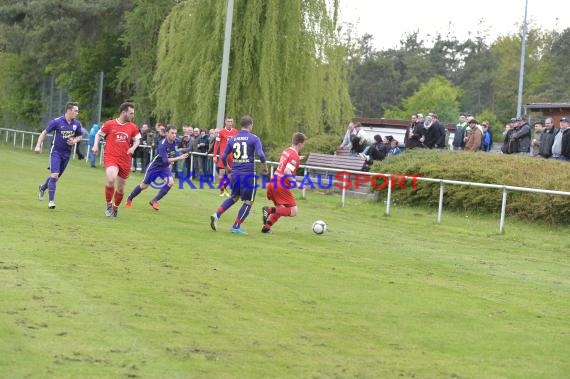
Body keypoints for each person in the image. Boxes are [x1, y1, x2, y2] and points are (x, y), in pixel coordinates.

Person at [210, 115, 268, 234]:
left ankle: (216, 214)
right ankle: (236, 226)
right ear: (250, 125)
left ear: (241, 125)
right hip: (248, 174)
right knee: (248, 201)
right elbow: (261, 154)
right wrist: (265, 166)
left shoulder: (233, 139)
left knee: (234, 197)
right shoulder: (254, 138)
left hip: (235, 173)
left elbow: (224, 156)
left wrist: (227, 167)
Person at [92, 102, 141, 217]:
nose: (133, 116)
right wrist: (95, 145)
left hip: (125, 159)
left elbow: (138, 139)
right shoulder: (110, 124)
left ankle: (115, 207)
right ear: (124, 112)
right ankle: (109, 204)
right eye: (131, 113)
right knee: (111, 178)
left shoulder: (132, 126)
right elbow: (99, 135)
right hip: (111, 156)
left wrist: (133, 148)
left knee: (121, 188)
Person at [125, 125, 188, 210]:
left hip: (164, 168)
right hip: (155, 167)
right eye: (172, 133)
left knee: (170, 182)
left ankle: (154, 201)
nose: (174, 135)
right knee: (144, 186)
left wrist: (183, 143)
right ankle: (130, 198)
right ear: (166, 133)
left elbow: (177, 147)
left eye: (175, 133)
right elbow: (166, 160)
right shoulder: (162, 145)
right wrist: (179, 158)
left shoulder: (176, 141)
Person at [35, 102, 84, 209]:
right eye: (75, 111)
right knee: (54, 175)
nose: (77, 113)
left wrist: (74, 140)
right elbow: (44, 133)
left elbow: (80, 136)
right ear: (69, 111)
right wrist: (38, 145)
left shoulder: (77, 124)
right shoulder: (57, 122)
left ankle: (43, 187)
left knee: (55, 178)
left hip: (66, 154)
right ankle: (51, 201)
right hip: (56, 152)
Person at [261, 132, 306, 234]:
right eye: (303, 144)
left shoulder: (287, 151)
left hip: (273, 182)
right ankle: (268, 210)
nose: (303, 146)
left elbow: (287, 162)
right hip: (280, 185)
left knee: (281, 209)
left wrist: (297, 159)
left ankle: (266, 227)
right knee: (294, 211)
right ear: (300, 144)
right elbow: (287, 171)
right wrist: (296, 183)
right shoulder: (294, 155)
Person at [213, 116, 238, 196]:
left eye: (231, 121)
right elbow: (216, 144)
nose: (230, 123)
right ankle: (222, 191)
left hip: (233, 156)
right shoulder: (221, 132)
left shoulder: (236, 131)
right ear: (225, 122)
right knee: (221, 174)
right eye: (228, 121)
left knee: (232, 174)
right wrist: (214, 155)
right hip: (223, 156)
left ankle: (224, 187)